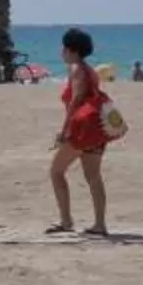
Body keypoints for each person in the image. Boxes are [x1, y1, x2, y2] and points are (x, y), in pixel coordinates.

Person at [47, 28, 113, 238]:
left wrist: (64, 130)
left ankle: (66, 220)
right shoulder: (90, 70)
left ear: (70, 49)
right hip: (97, 128)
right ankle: (100, 224)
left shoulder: (76, 69)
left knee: (56, 171)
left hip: (81, 129)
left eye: (64, 48)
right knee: (93, 176)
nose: (62, 52)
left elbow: (75, 101)